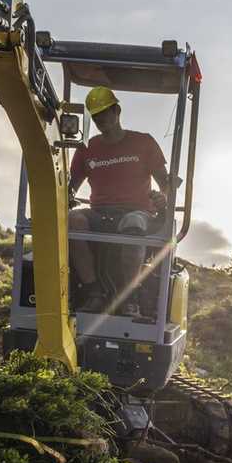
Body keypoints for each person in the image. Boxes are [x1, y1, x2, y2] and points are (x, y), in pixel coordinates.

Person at [68, 86, 169, 314]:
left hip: (138, 211)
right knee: (72, 220)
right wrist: (64, 197)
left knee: (132, 223)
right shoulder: (87, 148)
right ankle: (94, 291)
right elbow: (69, 188)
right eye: (96, 116)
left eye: (105, 113)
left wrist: (163, 197)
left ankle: (128, 296)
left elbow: (166, 183)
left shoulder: (143, 143)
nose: (101, 119)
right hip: (99, 212)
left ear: (117, 111)